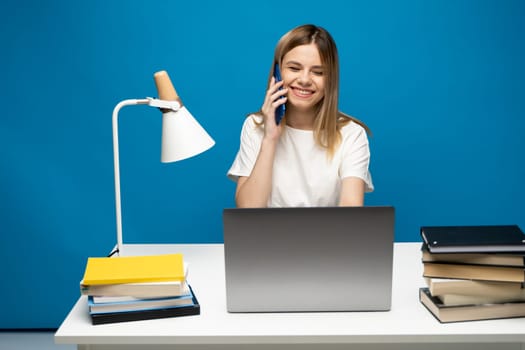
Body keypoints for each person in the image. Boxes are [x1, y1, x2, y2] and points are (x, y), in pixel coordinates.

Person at [227, 24, 373, 207]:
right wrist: (270, 139)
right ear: (278, 73)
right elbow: (248, 210)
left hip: (329, 236)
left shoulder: (351, 134)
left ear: (331, 79)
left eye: (318, 72)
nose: (304, 80)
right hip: (268, 236)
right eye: (294, 68)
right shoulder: (255, 126)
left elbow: (351, 212)